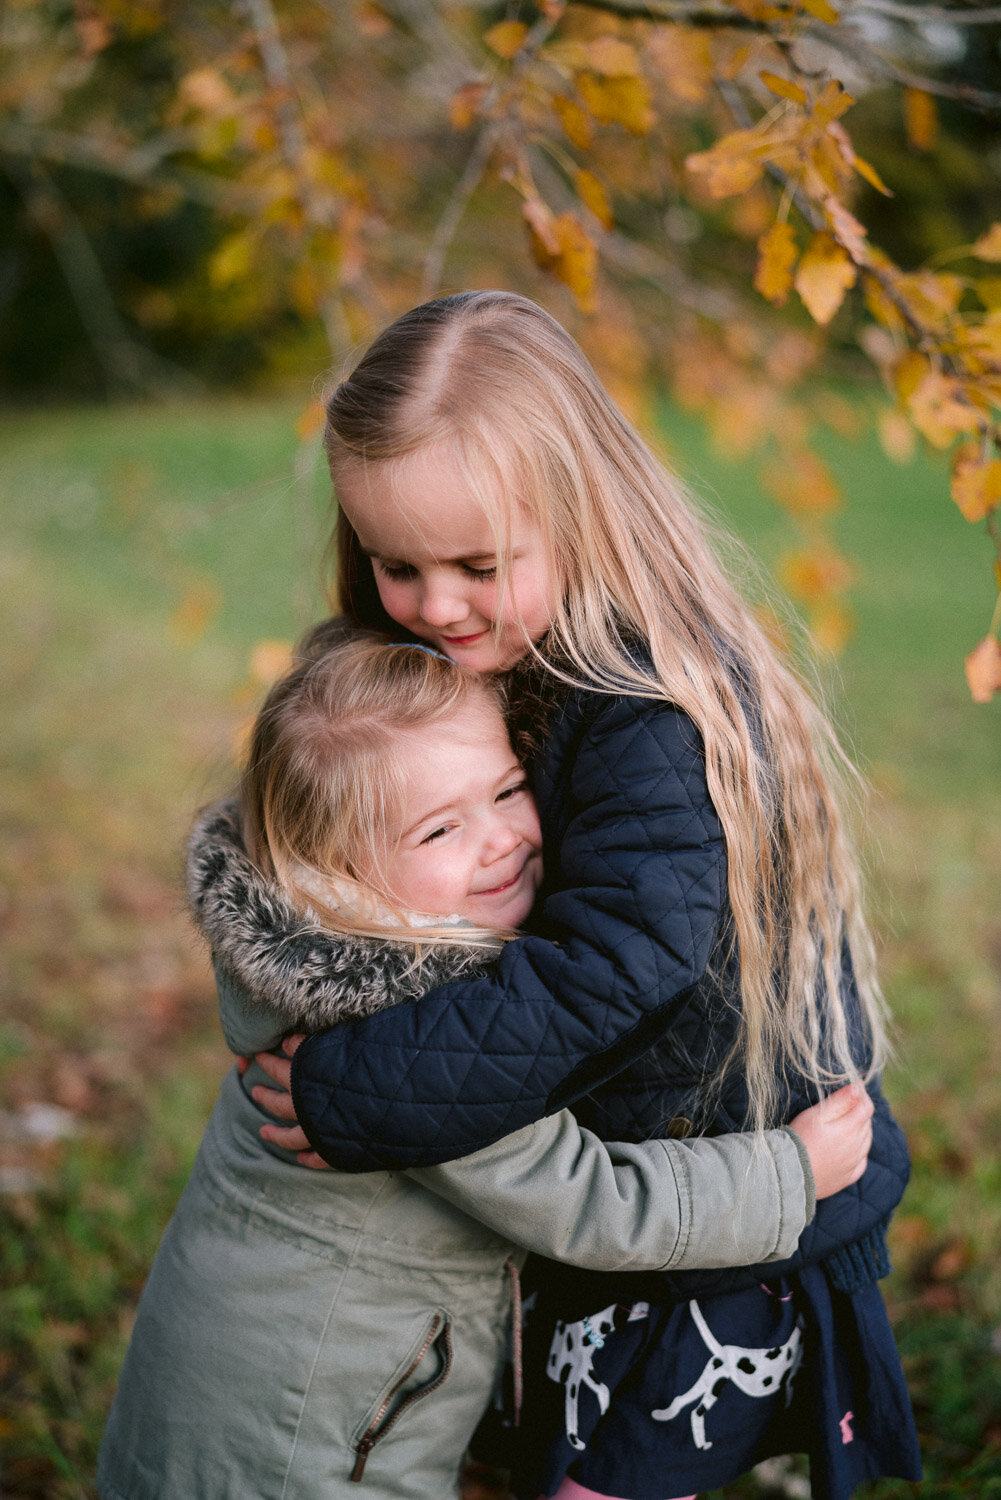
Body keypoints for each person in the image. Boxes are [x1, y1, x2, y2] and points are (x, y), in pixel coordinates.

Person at [249, 291, 923, 1500]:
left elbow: (613, 965)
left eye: (476, 566)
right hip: (637, 1189)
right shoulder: (507, 654)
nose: (436, 607)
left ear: (581, 515)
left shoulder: (641, 711)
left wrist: (356, 1090)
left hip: (732, 1203)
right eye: (395, 564)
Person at [96, 631, 871, 1500]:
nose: (500, 838)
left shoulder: (328, 963)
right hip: (303, 1444)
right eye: (438, 829)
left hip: (229, 1400)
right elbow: (591, 1203)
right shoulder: (406, 1032)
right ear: (335, 870)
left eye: (507, 788)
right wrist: (790, 1175)